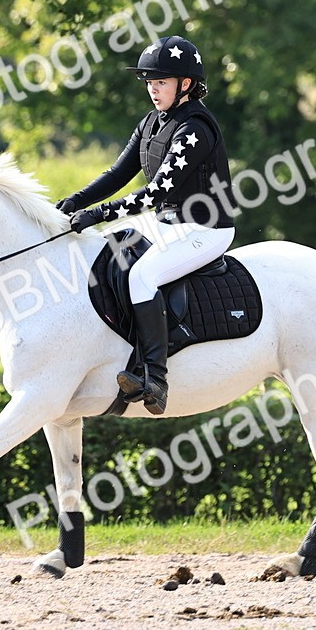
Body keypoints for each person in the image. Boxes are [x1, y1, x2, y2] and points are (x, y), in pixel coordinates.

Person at [56, 34, 237, 415]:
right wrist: (75, 201)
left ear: (185, 85)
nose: (153, 91)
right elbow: (118, 173)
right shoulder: (154, 122)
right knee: (106, 253)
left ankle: (155, 376)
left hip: (206, 231)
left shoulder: (195, 129)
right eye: (150, 83)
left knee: (142, 276)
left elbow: (154, 193)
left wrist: (99, 213)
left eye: (162, 83)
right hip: (169, 225)